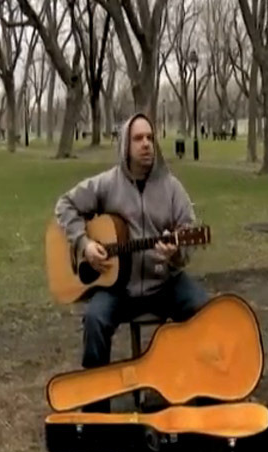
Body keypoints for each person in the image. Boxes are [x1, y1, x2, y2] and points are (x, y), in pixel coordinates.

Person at [55, 112, 209, 412]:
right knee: (95, 319)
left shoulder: (172, 187)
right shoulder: (106, 184)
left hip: (164, 283)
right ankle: (96, 411)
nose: (146, 144)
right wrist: (84, 244)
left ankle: (205, 393)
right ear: (125, 144)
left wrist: (175, 253)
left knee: (203, 309)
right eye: (138, 138)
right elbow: (65, 205)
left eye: (150, 138)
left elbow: (188, 230)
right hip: (118, 289)